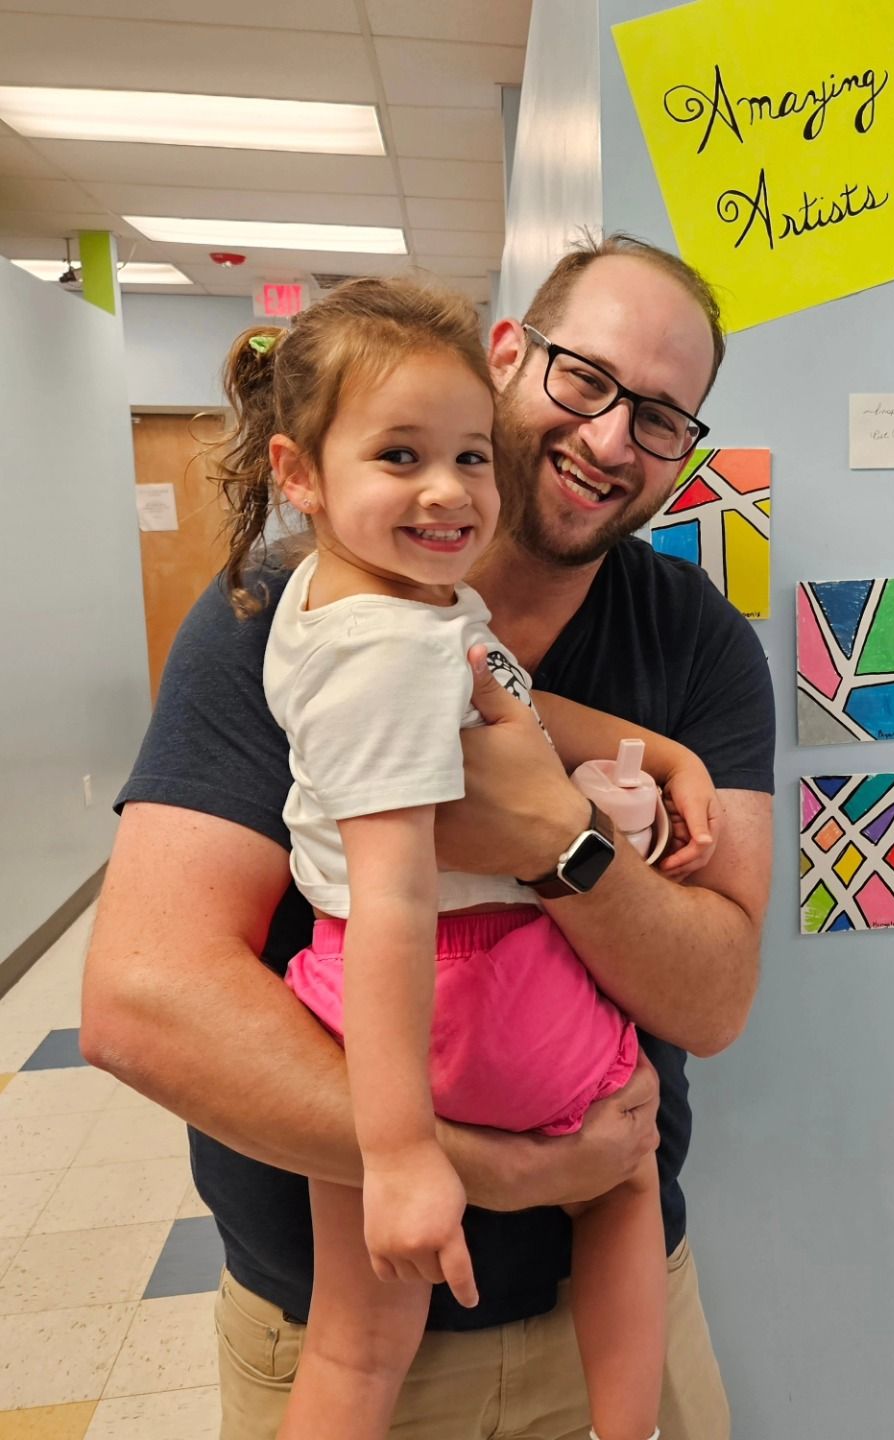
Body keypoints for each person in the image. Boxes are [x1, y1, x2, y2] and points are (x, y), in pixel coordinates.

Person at [80, 234, 775, 1440]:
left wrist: (557, 839)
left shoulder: (696, 645)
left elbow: (714, 997)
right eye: (586, 380)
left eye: (662, 418)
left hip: (612, 1314)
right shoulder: (279, 615)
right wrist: (490, 1168)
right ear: (509, 353)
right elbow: (140, 1005)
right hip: (338, 1322)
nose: (613, 440)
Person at [219, 276, 721, 1440]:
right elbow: (397, 890)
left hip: (352, 1001)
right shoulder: (396, 650)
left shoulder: (340, 600)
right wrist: (399, 1153)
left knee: (356, 1343)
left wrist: (660, 749)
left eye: (467, 460)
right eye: (400, 457)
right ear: (300, 473)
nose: (448, 493)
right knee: (630, 1163)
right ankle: (626, 1426)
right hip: (472, 983)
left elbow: (517, 701)